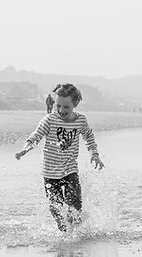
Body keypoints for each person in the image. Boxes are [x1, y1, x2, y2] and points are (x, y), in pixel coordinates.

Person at [15, 83, 105, 232]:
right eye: (58, 106)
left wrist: (94, 154)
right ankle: (64, 236)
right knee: (56, 209)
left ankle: (75, 231)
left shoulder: (80, 121)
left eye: (66, 107)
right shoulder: (49, 120)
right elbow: (36, 135)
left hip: (70, 170)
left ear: (75, 104)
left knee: (74, 206)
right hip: (50, 173)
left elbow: (89, 136)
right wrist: (26, 148)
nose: (61, 110)